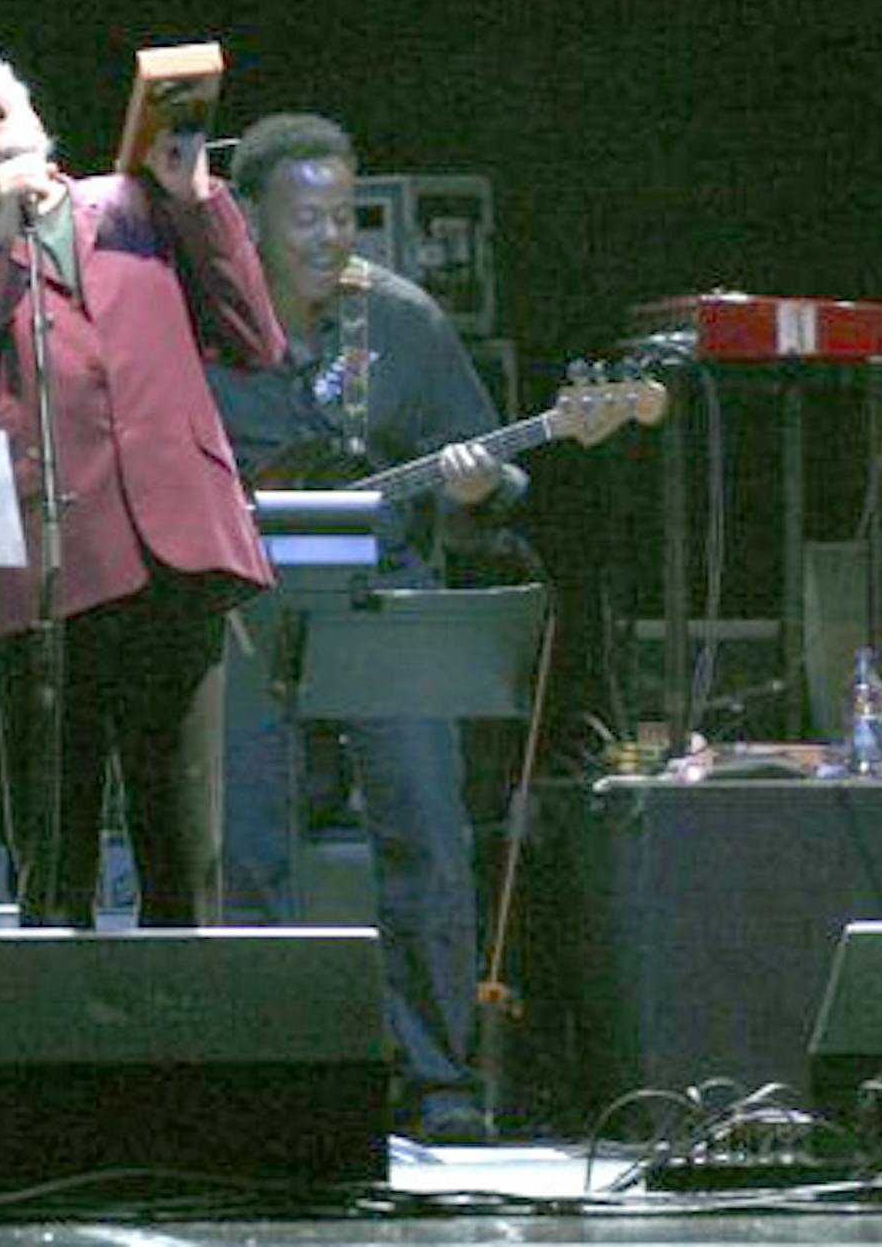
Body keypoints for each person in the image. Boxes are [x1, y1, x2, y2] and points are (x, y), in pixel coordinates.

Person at [0, 48, 283, 929]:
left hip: (177, 560)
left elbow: (256, 339)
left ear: (30, 108)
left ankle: (189, 1058)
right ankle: (60, 1063)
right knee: (55, 868)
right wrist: (2, 241)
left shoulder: (136, 206)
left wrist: (197, 193)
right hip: (40, 578)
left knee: (184, 856)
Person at [206, 112, 523, 1143]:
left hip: (383, 595)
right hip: (245, 607)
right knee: (246, 841)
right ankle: (264, 1076)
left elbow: (491, 476)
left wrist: (481, 485)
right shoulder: (197, 322)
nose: (330, 237)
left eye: (343, 215)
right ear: (248, 217)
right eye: (306, 218)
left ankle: (438, 1080)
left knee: (428, 829)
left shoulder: (400, 319)